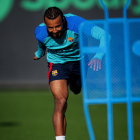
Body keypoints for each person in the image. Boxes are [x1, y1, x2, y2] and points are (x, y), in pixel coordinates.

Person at [33, 7, 109, 140]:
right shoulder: (40, 32)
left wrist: (98, 55)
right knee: (61, 100)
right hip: (57, 64)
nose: (55, 31)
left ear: (63, 20)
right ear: (45, 24)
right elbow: (42, 44)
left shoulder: (77, 23)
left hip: (79, 62)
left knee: (76, 89)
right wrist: (39, 53)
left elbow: (104, 35)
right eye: (50, 28)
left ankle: (75, 85)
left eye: (58, 26)